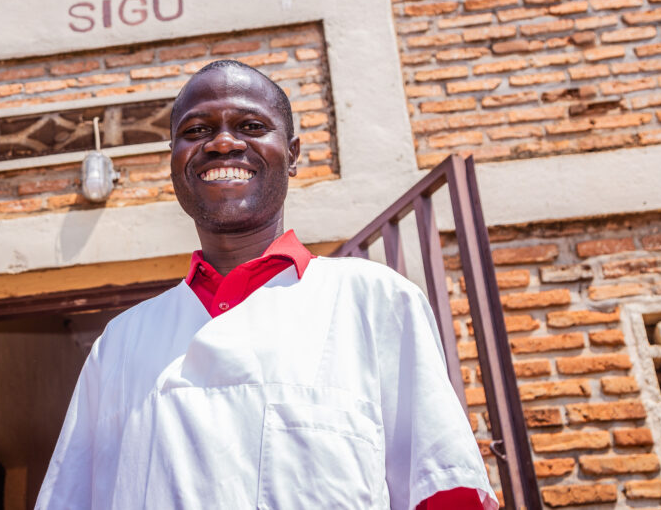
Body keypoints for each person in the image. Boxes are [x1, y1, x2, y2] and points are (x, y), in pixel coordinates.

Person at [35, 61, 497, 509]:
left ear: (292, 155)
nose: (221, 143)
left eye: (251, 126)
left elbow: (444, 494)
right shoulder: (119, 344)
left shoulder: (375, 302)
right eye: (196, 131)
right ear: (174, 162)